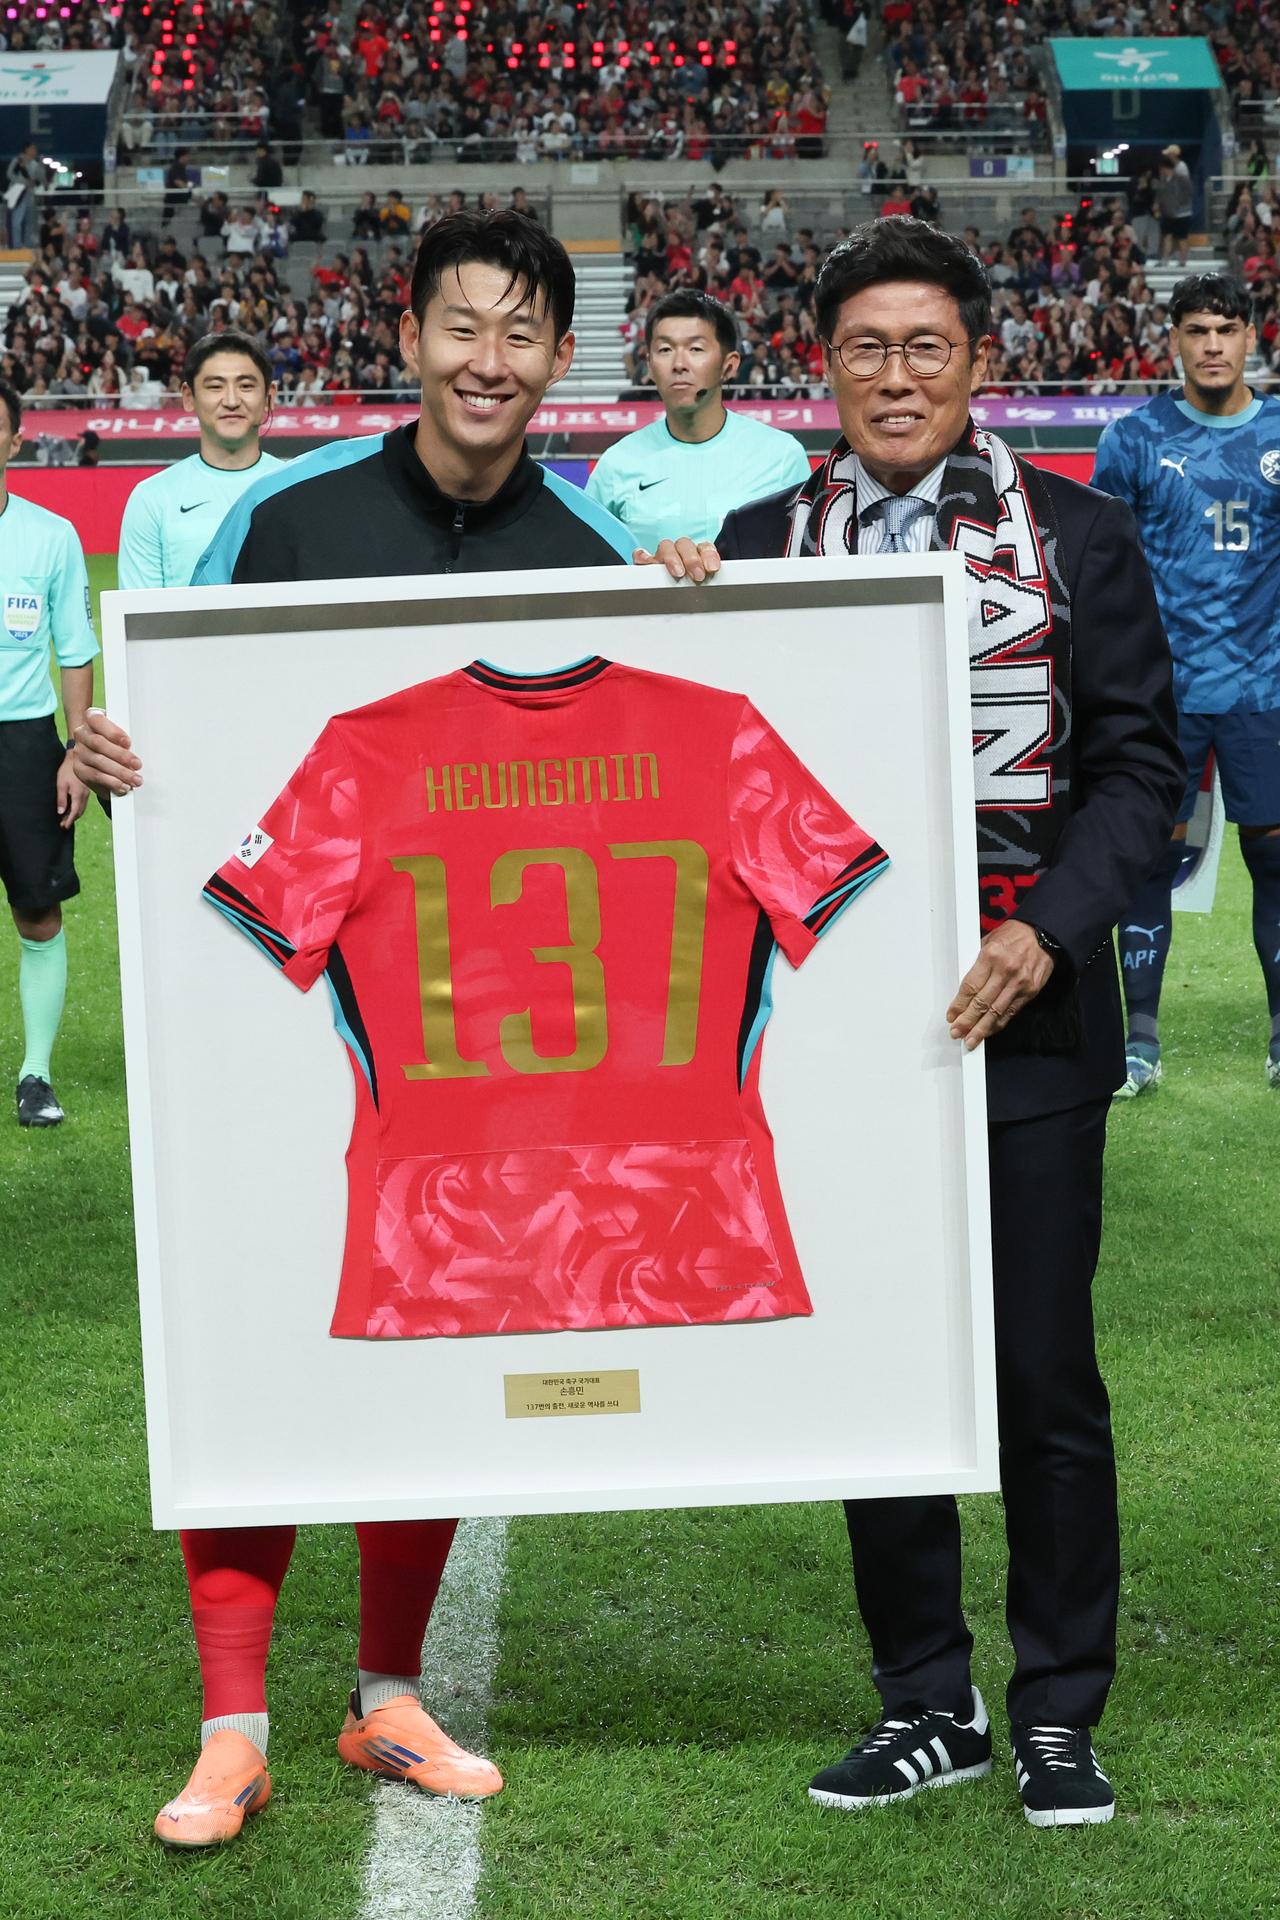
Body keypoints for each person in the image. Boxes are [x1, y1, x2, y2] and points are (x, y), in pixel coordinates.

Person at [73, 211, 690, 1853]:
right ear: (408, 339)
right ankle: (232, 1729)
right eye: (462, 326)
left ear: (562, 362)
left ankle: (387, 1694)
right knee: (252, 1345)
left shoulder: (592, 558)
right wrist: (118, 756)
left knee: (436, 1354)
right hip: (284, 1007)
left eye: (523, 333)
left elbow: (641, 806)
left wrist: (697, 613)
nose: (490, 360)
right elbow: (186, 736)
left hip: (484, 1041)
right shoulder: (289, 526)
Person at [645, 218, 1183, 1827]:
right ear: (825, 366)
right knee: (882, 1370)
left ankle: (1060, 1711)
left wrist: (1049, 931)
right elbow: (698, 764)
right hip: (829, 1028)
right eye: (866, 348)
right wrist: (683, 613)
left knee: (1042, 1374)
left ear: (978, 364)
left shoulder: (1078, 536)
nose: (896, 376)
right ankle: (925, 1702)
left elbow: (1139, 771)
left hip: (1030, 1014)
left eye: (926, 347)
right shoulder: (757, 538)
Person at [1091, 272, 1280, 1096]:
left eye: (1226, 329)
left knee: (1274, 862)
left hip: (1265, 691)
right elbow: (1101, 570)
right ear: (1173, 339)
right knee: (1146, 861)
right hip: (1161, 697)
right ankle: (1138, 1045)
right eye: (1197, 329)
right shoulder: (1132, 439)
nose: (1212, 345)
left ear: (1250, 338)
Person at [0, 376, 96, 1127]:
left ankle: (35, 1076)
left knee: (39, 917)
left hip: (25, 745)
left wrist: (74, 751)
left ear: (15, 439)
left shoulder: (51, 536)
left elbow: (75, 648)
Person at [585, 290, 809, 555]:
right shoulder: (616, 465)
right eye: (665, 350)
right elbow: (589, 564)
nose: (679, 364)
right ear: (650, 366)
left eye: (695, 349)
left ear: (729, 366)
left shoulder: (782, 458)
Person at [117, 333, 286, 590]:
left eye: (246, 386)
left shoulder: (297, 489)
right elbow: (140, 613)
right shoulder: (153, 499)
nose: (231, 401)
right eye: (215, 387)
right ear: (188, 397)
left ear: (269, 397)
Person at [1157, 146, 1194, 268]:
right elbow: (1160, 193)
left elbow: (1189, 190)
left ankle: (1183, 260)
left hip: (1181, 213)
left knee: (1181, 237)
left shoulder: (1181, 176)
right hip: (1168, 212)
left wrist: (1179, 202)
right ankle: (1165, 259)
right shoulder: (1163, 179)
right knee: (1167, 235)